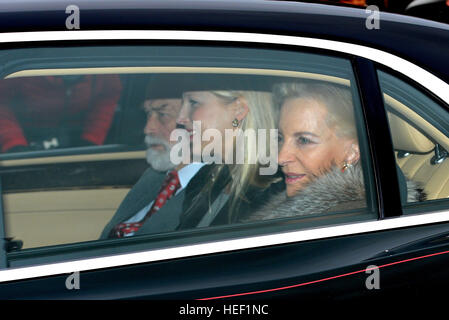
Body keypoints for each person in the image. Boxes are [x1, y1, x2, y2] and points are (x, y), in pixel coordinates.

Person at [243, 81, 425, 222]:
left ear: (352, 152)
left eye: (304, 140)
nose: (280, 157)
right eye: (280, 138)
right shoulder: (287, 195)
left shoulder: (348, 221)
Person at [100, 74, 207, 239]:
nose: (148, 128)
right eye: (148, 114)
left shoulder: (215, 190)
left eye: (163, 114)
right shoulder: (157, 175)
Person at [174, 75, 280, 229]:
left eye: (193, 103)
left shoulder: (273, 191)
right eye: (183, 103)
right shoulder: (204, 178)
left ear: (239, 110)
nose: (180, 118)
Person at [0, 75, 122, 152]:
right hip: (26, 136)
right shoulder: (25, 68)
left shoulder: (101, 71)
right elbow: (2, 103)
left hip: (78, 137)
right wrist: (14, 143)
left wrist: (91, 140)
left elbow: (107, 97)